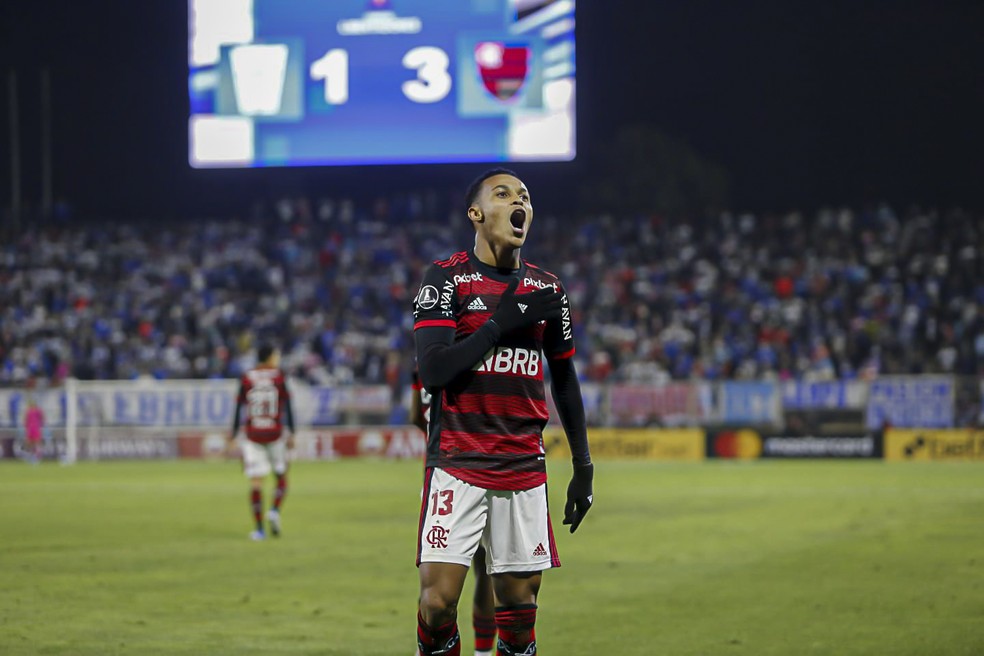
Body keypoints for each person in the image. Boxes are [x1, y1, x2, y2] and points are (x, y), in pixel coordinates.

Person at [411, 169, 594, 656]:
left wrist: (583, 467)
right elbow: (432, 370)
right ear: (477, 213)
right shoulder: (446, 277)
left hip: (523, 467)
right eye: (504, 193)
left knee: (518, 610)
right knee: (436, 602)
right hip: (459, 462)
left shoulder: (548, 291)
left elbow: (566, 381)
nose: (520, 202)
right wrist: (499, 324)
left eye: (526, 197)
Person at [411, 371, 497, 656]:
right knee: (485, 570)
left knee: (435, 576)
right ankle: (483, 652)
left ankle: (428, 645)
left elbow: (417, 415)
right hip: (488, 465)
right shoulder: (478, 349)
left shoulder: (426, 355)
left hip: (441, 475)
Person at [228, 343, 295, 541]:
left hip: (253, 434)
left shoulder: (247, 376)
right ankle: (274, 510)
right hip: (275, 433)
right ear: (270, 357)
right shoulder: (279, 375)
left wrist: (233, 434)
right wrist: (292, 432)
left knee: (256, 482)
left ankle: (259, 530)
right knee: (281, 475)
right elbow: (288, 405)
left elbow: (238, 407)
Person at [23, 398, 45, 464]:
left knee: (34, 443)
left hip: (33, 428)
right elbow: (26, 420)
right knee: (32, 443)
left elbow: (42, 418)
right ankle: (33, 457)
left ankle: (36, 457)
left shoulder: (35, 411)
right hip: (32, 428)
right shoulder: (31, 411)